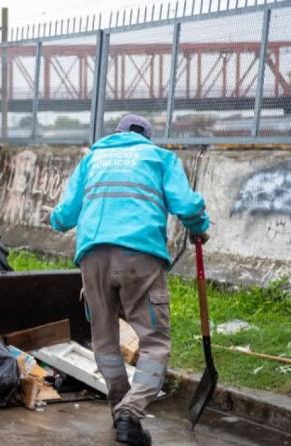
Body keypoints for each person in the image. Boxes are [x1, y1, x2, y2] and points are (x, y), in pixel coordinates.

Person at [50, 115, 210, 446]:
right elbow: (187, 205)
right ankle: (131, 412)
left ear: (117, 134)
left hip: (93, 256)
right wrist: (199, 227)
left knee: (105, 339)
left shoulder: (93, 158)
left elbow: (64, 216)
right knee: (155, 342)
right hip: (140, 255)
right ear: (146, 138)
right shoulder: (160, 158)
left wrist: (54, 219)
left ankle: (120, 410)